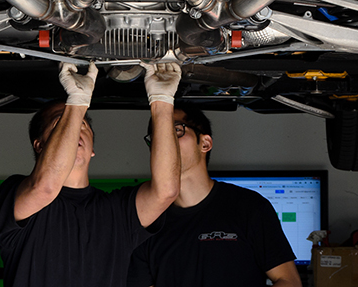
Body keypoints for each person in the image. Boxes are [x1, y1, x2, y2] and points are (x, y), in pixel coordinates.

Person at [0, 60, 182, 287]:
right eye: (60, 124)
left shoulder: (118, 213)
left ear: (92, 149)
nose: (76, 131)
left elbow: (166, 191)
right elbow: (45, 188)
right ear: (40, 146)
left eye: (83, 125)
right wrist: (76, 101)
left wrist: (162, 102)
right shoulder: (15, 192)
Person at [127, 104, 302, 287]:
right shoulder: (145, 220)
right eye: (157, 135)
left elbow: (289, 281)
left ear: (205, 143)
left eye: (177, 130)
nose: (164, 142)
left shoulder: (250, 207)